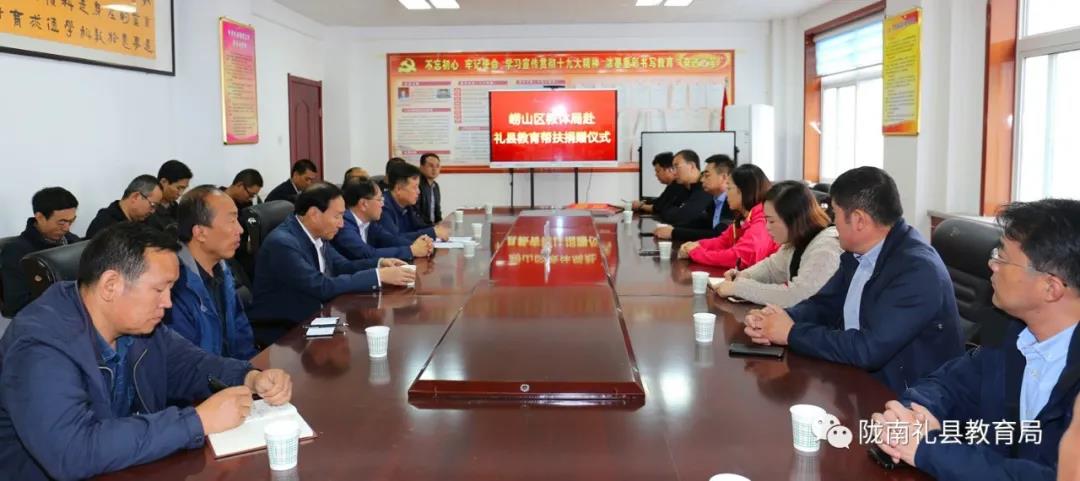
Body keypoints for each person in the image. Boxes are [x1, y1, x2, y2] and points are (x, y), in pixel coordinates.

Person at [0, 222, 293, 480]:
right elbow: (72, 452)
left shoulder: (139, 325)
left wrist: (249, 377)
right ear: (111, 285)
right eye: (159, 290)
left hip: (127, 467)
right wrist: (197, 422)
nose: (168, 303)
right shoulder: (40, 345)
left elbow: (191, 365)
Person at [869, 198, 1080, 481]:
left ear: (1050, 288)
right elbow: (950, 384)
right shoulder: (1010, 330)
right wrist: (910, 417)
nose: (991, 264)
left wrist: (928, 449)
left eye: (1002, 258)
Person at [744, 166, 963, 394]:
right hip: (858, 377)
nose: (833, 222)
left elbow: (868, 349)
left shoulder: (917, 271)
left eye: (836, 213)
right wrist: (780, 319)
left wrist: (791, 333)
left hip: (910, 397)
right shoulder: (858, 253)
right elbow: (825, 304)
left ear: (858, 219)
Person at [248, 183, 416, 346]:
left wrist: (380, 263)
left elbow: (342, 266)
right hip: (286, 333)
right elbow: (321, 286)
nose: (341, 224)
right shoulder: (283, 244)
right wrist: (377, 276)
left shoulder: (317, 234)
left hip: (315, 317)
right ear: (314, 214)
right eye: (337, 216)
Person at [713, 181, 841, 308]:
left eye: (771, 221)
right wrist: (743, 276)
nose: (767, 227)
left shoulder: (827, 246)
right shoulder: (798, 240)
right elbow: (772, 269)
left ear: (793, 219)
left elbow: (797, 296)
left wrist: (738, 288)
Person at [165, 186, 257, 360]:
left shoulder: (223, 269)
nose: (240, 230)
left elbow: (241, 333)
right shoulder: (173, 286)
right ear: (200, 233)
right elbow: (187, 363)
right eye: (231, 221)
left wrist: (252, 369)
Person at [679, 163, 778, 269]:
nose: (726, 194)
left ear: (742, 191)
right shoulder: (745, 218)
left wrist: (696, 253)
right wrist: (696, 244)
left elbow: (738, 258)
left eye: (729, 188)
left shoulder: (763, 218)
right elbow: (723, 242)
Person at [1, 187, 80, 317]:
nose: (67, 228)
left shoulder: (73, 241)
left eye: (71, 221)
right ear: (40, 217)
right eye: (62, 222)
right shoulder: (16, 252)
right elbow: (16, 306)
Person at [332, 178, 433, 262]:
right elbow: (367, 254)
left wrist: (420, 245)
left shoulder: (369, 222)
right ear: (363, 204)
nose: (383, 204)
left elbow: (391, 239)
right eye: (379, 199)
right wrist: (411, 250)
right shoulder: (344, 224)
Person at [655, 153, 735, 242]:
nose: (702, 180)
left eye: (707, 175)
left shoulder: (732, 203)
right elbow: (702, 224)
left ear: (724, 177)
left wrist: (674, 232)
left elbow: (718, 235)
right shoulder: (715, 200)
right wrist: (673, 228)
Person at [378, 162, 450, 242]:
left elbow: (418, 227)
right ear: (398, 189)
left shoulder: (407, 205)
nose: (419, 192)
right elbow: (394, 239)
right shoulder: (382, 208)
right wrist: (432, 232)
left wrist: (437, 229)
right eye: (415, 187)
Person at [86, 174, 163, 238]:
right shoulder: (105, 226)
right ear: (135, 197)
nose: (153, 211)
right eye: (153, 205)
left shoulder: (145, 223)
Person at [415, 153, 443, 225]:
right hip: (421, 227)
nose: (434, 169)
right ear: (421, 167)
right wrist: (432, 226)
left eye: (437, 166)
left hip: (433, 226)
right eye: (431, 166)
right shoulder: (416, 185)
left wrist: (440, 223)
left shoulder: (435, 186)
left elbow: (437, 211)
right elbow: (416, 213)